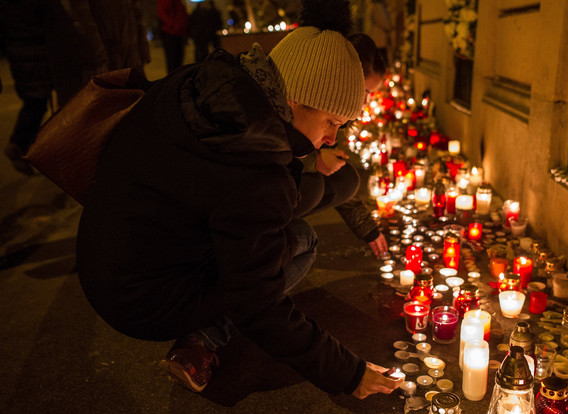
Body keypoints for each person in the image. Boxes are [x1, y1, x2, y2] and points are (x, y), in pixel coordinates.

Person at [76, 0, 402, 399]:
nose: (333, 138)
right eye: (333, 122)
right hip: (142, 300)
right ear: (296, 98)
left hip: (102, 263)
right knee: (301, 241)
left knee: (287, 232)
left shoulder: (200, 83)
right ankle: (204, 337)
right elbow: (259, 304)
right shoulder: (256, 164)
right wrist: (348, 373)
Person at [296, 32, 389, 258]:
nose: (366, 101)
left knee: (346, 179)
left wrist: (368, 229)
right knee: (319, 186)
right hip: (259, 192)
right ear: (350, 78)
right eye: (366, 91)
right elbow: (275, 149)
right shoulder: (309, 100)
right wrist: (314, 160)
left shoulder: (342, 115)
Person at [0, 0, 53, 175]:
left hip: (19, 54)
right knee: (36, 102)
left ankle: (24, 146)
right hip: (35, 54)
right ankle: (19, 144)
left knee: (35, 100)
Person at [157, 0, 189, 73]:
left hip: (178, 33)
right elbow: (162, 12)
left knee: (178, 62)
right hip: (171, 33)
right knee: (173, 62)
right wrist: (174, 25)